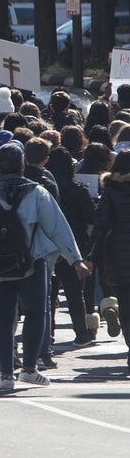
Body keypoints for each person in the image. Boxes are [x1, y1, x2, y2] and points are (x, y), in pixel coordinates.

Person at [0, 141, 91, 390]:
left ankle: (6, 374)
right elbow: (57, 227)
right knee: (35, 313)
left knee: (1, 317)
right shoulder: (37, 193)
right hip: (32, 262)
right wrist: (75, 259)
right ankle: (30, 368)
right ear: (22, 164)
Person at [94, 153, 130, 372]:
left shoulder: (110, 191)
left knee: (125, 304)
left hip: (118, 252)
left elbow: (101, 225)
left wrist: (89, 256)